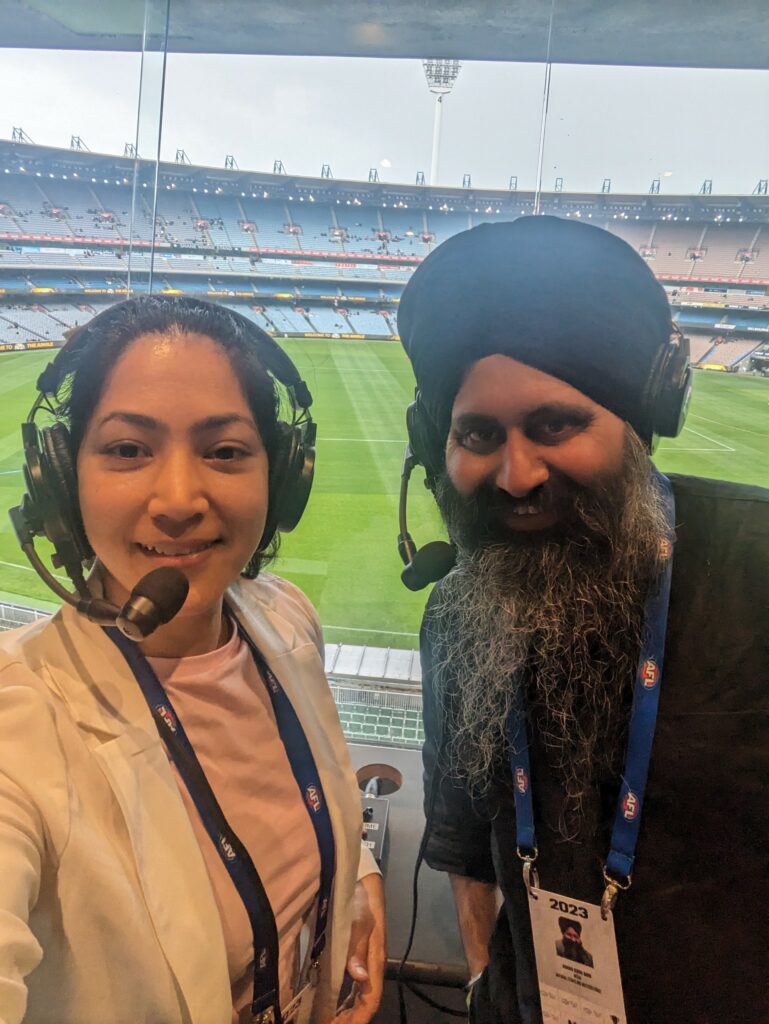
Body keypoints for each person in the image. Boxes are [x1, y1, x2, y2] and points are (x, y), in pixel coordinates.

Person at [396, 217, 768, 1024]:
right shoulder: (458, 610)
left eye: (554, 425)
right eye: (477, 433)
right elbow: (462, 836)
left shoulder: (757, 567)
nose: (516, 473)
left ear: (642, 421)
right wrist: (483, 980)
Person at [0, 296, 385, 1024]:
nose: (178, 500)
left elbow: (318, 780)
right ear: (60, 477)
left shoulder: (284, 618)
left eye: (225, 451)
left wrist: (354, 877)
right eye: (127, 450)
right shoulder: (16, 720)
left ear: (282, 477)